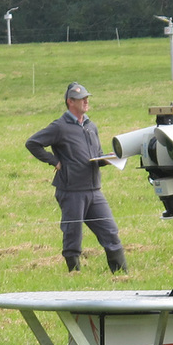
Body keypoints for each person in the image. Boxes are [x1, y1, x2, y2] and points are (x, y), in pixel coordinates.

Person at [26, 82, 128, 273]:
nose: (86, 102)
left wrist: (107, 159)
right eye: (82, 99)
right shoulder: (59, 127)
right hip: (71, 191)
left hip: (94, 191)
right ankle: (74, 273)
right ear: (70, 102)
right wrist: (53, 161)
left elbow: (95, 155)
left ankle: (122, 273)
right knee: (73, 235)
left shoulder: (91, 127)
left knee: (110, 231)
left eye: (87, 98)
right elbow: (32, 143)